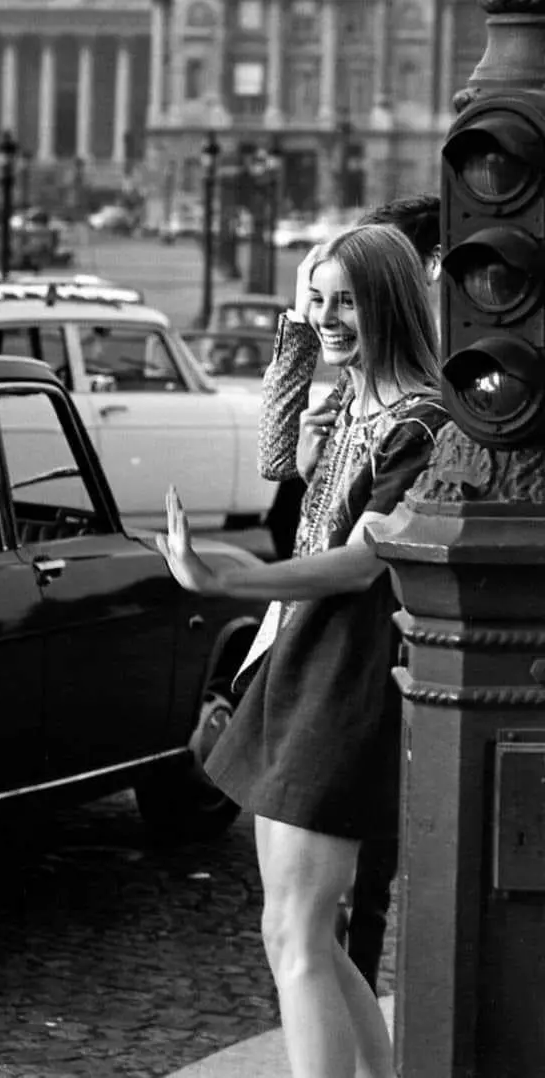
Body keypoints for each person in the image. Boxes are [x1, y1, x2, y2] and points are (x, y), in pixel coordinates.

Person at [156, 223, 449, 1078]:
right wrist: (303, 324)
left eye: (347, 300)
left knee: (296, 930)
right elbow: (275, 459)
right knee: (299, 931)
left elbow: (360, 566)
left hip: (348, 677)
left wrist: (224, 583)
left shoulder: (419, 425)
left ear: (390, 300)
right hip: (305, 662)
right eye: (317, 299)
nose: (327, 318)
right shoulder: (355, 404)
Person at [265, 193, 441, 562]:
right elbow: (277, 458)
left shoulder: (431, 393)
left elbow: (362, 559)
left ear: (429, 266)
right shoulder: (359, 371)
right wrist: (303, 314)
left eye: (381, 259)